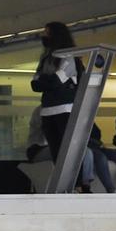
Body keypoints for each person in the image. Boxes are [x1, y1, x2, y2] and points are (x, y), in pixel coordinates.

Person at [31, 22, 80, 165]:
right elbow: (34, 84)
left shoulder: (68, 56)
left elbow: (54, 82)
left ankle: (77, 186)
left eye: (47, 32)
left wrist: (45, 80)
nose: (44, 35)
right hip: (47, 111)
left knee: (67, 152)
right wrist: (48, 81)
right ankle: (62, 185)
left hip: (64, 110)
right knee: (56, 153)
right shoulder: (45, 58)